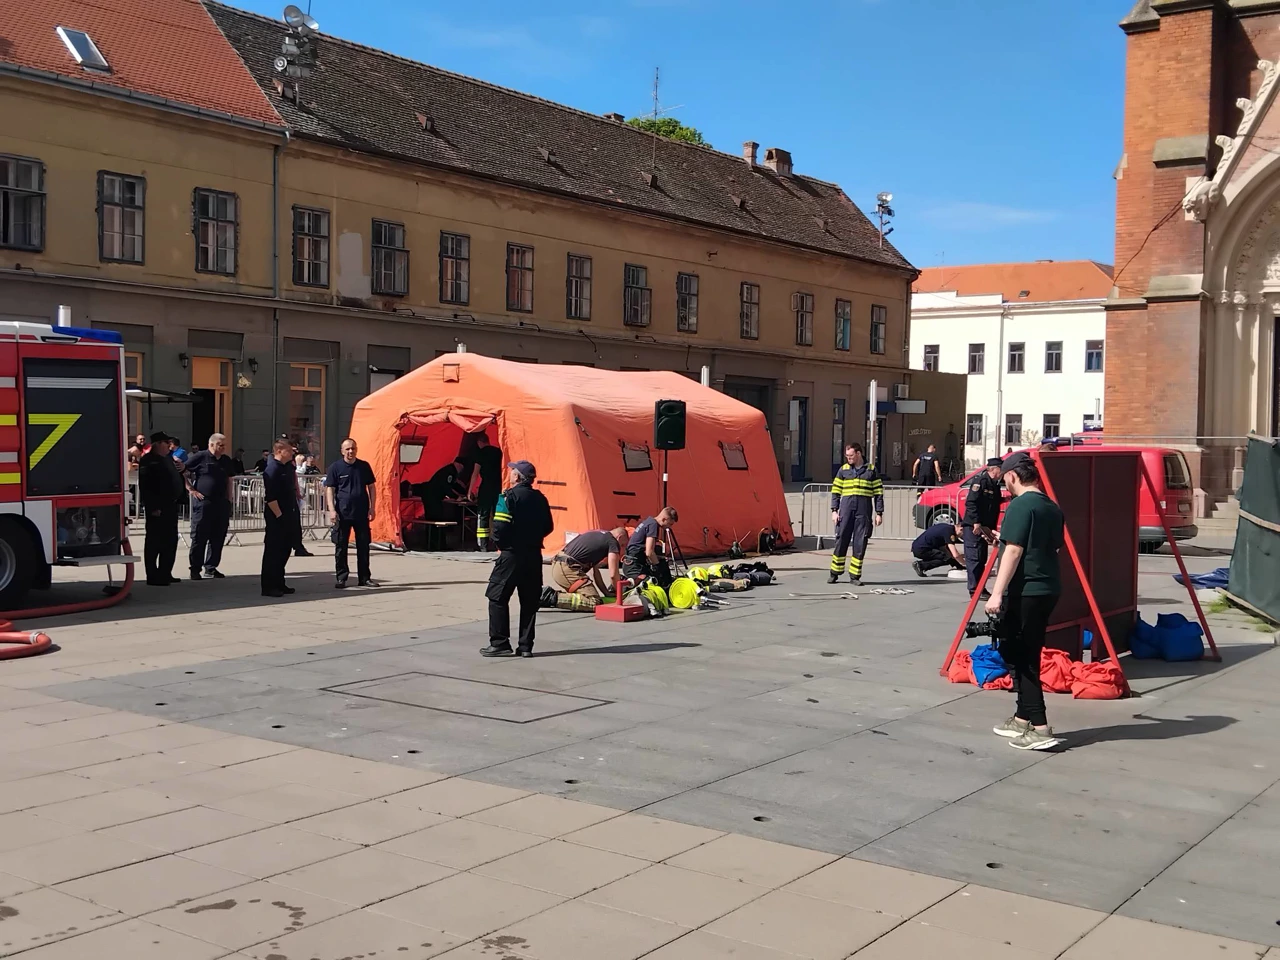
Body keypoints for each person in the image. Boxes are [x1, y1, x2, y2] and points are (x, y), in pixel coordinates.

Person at [987, 457, 1065, 751]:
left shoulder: (1020, 505)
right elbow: (1050, 546)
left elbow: (1014, 550)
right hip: (1047, 588)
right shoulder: (1051, 507)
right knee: (1022, 650)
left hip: (1025, 590)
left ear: (1012, 476)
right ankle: (1022, 718)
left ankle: (1041, 728)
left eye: (1004, 479)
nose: (1004, 485)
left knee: (1022, 658)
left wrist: (996, 593)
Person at [480, 460, 553, 658]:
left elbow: (499, 527)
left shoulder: (507, 497)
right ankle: (526, 646)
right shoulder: (541, 499)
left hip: (511, 555)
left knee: (497, 597)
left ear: (517, 477)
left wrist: (502, 544)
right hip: (533, 555)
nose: (510, 473)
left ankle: (500, 643)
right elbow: (548, 526)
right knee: (529, 601)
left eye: (512, 471)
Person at [324, 438, 378, 589]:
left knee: (363, 546)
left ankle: (365, 578)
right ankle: (341, 578)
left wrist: (372, 507)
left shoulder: (364, 466)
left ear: (356, 449)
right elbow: (330, 489)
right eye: (347, 449)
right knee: (341, 546)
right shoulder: (335, 467)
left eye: (353, 448)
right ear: (342, 451)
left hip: (361, 513)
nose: (350, 451)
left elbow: (371, 487)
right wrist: (332, 510)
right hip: (342, 513)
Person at [828, 443, 883, 586]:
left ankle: (854, 576)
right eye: (847, 456)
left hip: (863, 511)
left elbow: (878, 493)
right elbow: (835, 491)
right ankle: (834, 573)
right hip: (846, 510)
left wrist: (879, 513)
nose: (849, 458)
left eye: (851, 456)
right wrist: (834, 511)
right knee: (841, 539)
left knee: (860, 542)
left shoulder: (871, 470)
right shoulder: (843, 470)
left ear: (858, 454)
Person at [185, 432, 234, 580]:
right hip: (204, 503)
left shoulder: (226, 460)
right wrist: (191, 489)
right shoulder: (200, 457)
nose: (223, 447)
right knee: (199, 536)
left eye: (224, 445)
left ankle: (211, 567)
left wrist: (229, 499)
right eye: (220, 445)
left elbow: (229, 480)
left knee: (218, 536)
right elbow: (182, 471)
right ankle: (195, 568)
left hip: (221, 503)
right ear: (211, 444)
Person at [137, 432, 184, 586]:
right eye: (166, 443)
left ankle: (165, 572)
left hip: (170, 505)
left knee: (170, 541)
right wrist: (152, 507)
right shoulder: (148, 461)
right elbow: (146, 487)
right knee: (154, 542)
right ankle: (153, 576)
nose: (169, 446)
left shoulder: (168, 458)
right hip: (157, 508)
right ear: (157, 444)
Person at [963, 457, 1004, 598]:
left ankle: (980, 588)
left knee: (981, 558)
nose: (1002, 471)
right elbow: (971, 503)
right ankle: (974, 590)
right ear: (993, 469)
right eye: (1000, 468)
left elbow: (993, 502)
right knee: (974, 558)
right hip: (974, 526)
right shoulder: (980, 482)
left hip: (985, 526)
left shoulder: (995, 484)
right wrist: (976, 522)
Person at [261, 439, 298, 598]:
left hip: (289, 513)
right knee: (273, 551)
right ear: (279, 451)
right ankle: (269, 586)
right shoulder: (272, 469)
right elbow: (271, 497)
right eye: (289, 450)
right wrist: (279, 516)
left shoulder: (287, 467)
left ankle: (279, 582)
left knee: (285, 549)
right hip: (276, 515)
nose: (292, 453)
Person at [550, 527, 627, 603]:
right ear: (619, 537)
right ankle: (550, 597)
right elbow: (613, 575)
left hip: (559, 566)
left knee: (585, 595)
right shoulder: (612, 542)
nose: (622, 550)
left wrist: (606, 592)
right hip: (567, 569)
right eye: (623, 545)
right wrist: (619, 595)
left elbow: (596, 573)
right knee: (594, 601)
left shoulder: (598, 535)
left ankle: (554, 597)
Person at [622, 507, 678, 582]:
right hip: (634, 566)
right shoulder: (653, 525)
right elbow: (649, 552)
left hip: (631, 561)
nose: (669, 527)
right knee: (652, 582)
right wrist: (658, 567)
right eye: (670, 524)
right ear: (664, 519)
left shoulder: (648, 521)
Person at [471, 434, 504, 551]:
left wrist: (470, 490)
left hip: (486, 487)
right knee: (497, 515)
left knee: (483, 515)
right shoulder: (498, 452)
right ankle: (497, 543)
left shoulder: (480, 453)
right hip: (498, 486)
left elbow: (475, 473)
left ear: (479, 442)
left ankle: (483, 545)